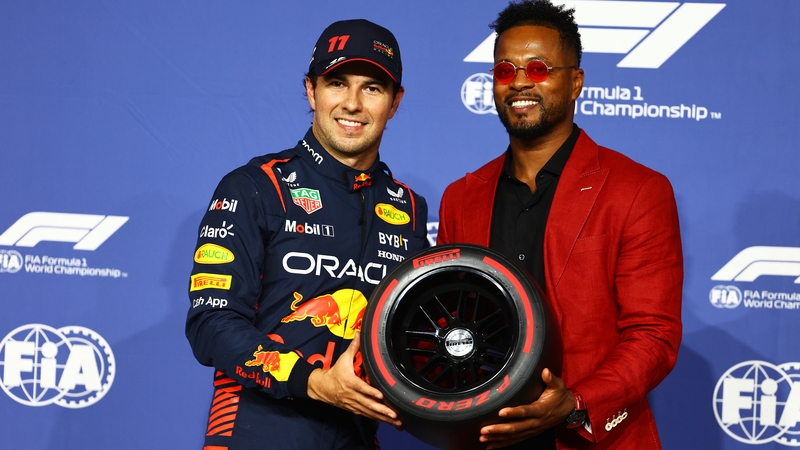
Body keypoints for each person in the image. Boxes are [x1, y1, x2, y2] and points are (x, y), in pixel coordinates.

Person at [437, 1, 683, 449]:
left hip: (588, 438)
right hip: (485, 437)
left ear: (576, 82)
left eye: (539, 67)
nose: (521, 82)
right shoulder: (461, 197)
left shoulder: (638, 190)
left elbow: (654, 335)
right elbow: (448, 322)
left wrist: (574, 402)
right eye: (506, 70)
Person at [185, 19, 429, 450]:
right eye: (337, 82)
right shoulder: (255, 186)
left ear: (395, 102)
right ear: (311, 90)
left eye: (372, 88)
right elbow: (211, 324)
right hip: (256, 431)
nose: (352, 103)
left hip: (358, 436)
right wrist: (313, 382)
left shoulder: (408, 209)